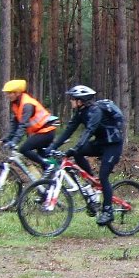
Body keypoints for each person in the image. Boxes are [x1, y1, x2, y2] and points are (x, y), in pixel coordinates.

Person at [48, 85, 125, 225]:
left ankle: (108, 211)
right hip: (101, 143)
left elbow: (89, 131)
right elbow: (68, 131)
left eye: (72, 99)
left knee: (103, 176)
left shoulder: (96, 111)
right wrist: (51, 147)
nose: (70, 101)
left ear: (80, 101)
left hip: (113, 146)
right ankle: (92, 182)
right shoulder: (80, 113)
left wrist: (75, 148)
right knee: (78, 153)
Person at [0, 79, 57, 175]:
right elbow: (15, 124)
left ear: (17, 93)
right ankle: (51, 177)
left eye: (10, 93)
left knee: (24, 149)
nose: (8, 95)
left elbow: (23, 124)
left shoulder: (27, 104)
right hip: (40, 132)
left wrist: (14, 142)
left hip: (47, 131)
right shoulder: (16, 104)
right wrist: (7, 138)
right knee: (43, 159)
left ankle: (49, 167)